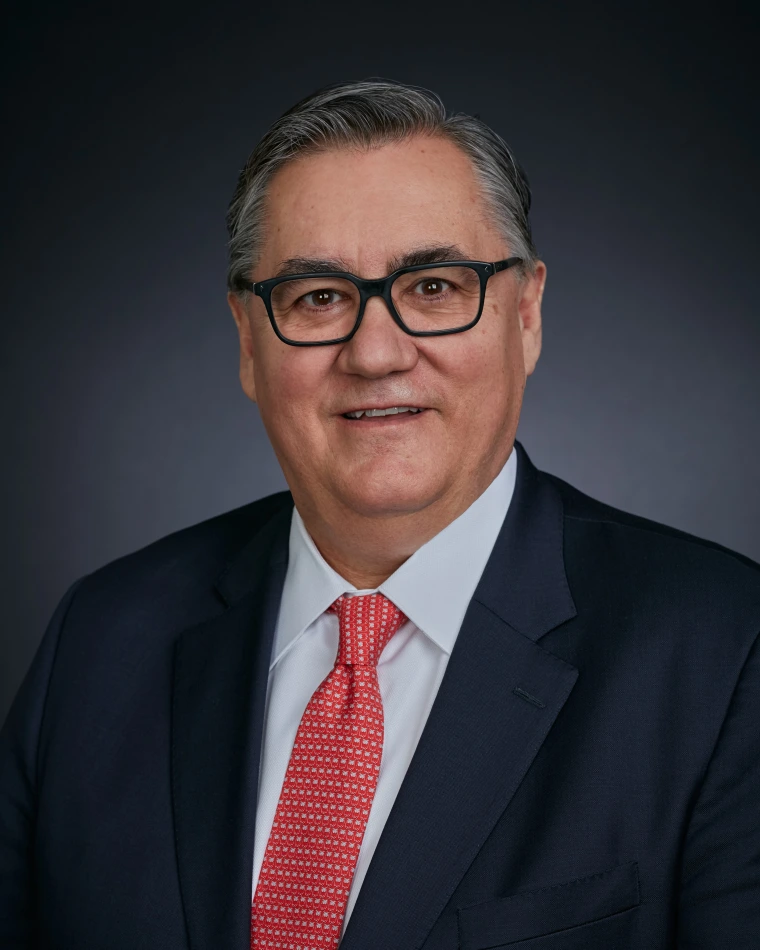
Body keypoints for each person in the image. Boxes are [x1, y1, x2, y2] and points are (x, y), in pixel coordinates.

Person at [1, 77, 758, 950]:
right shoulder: (99, 640)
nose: (375, 351)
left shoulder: (724, 653)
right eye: (317, 297)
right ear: (249, 342)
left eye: (435, 286)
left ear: (527, 316)